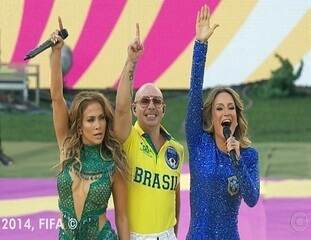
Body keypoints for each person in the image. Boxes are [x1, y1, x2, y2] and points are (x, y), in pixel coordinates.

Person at [50, 17, 129, 240]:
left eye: (102, 119)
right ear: (79, 126)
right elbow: (57, 98)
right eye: (91, 120)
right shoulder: (67, 147)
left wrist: (130, 61)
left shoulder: (113, 162)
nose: (98, 126)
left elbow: (122, 217)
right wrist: (56, 54)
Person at [186, 5, 260, 240]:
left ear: (236, 118)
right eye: (219, 108)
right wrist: (201, 46)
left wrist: (236, 160)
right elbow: (195, 93)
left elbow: (251, 198)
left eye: (230, 108)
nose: (225, 112)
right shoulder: (199, 143)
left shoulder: (248, 155)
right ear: (210, 117)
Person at [114, 24, 184, 240]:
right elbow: (121, 107)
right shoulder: (128, 139)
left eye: (157, 101)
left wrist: (173, 233)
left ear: (164, 108)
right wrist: (131, 62)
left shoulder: (176, 149)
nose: (151, 106)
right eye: (144, 101)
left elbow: (175, 197)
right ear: (135, 108)